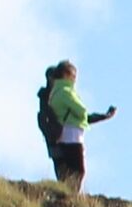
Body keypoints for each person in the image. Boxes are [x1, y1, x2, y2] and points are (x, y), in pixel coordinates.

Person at [36, 60, 114, 192]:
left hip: (58, 138)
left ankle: (68, 199)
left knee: (67, 174)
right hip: (63, 138)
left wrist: (102, 116)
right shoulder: (56, 94)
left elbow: (78, 117)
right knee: (72, 172)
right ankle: (68, 200)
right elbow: (80, 113)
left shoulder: (53, 94)